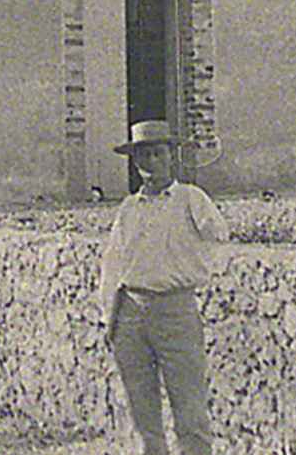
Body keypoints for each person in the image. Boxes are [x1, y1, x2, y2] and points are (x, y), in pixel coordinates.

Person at [98, 119, 230, 455]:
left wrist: (195, 271)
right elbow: (113, 266)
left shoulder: (190, 199)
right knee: (143, 416)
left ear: (171, 156)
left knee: (190, 410)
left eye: (157, 154)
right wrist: (110, 320)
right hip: (131, 314)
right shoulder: (128, 208)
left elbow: (220, 241)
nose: (150, 164)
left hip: (175, 311)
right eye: (142, 157)